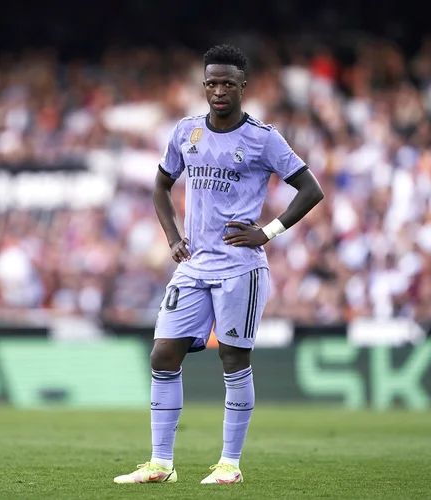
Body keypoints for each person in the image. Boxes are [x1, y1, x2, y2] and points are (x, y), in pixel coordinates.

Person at [114, 44, 324, 485]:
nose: (219, 90)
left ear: (243, 86)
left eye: (228, 82)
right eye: (211, 82)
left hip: (240, 267)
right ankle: (161, 464)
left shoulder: (263, 138)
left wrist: (267, 232)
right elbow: (160, 186)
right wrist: (173, 238)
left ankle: (230, 464)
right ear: (203, 86)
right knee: (163, 353)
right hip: (194, 264)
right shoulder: (186, 132)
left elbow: (310, 189)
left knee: (233, 359)